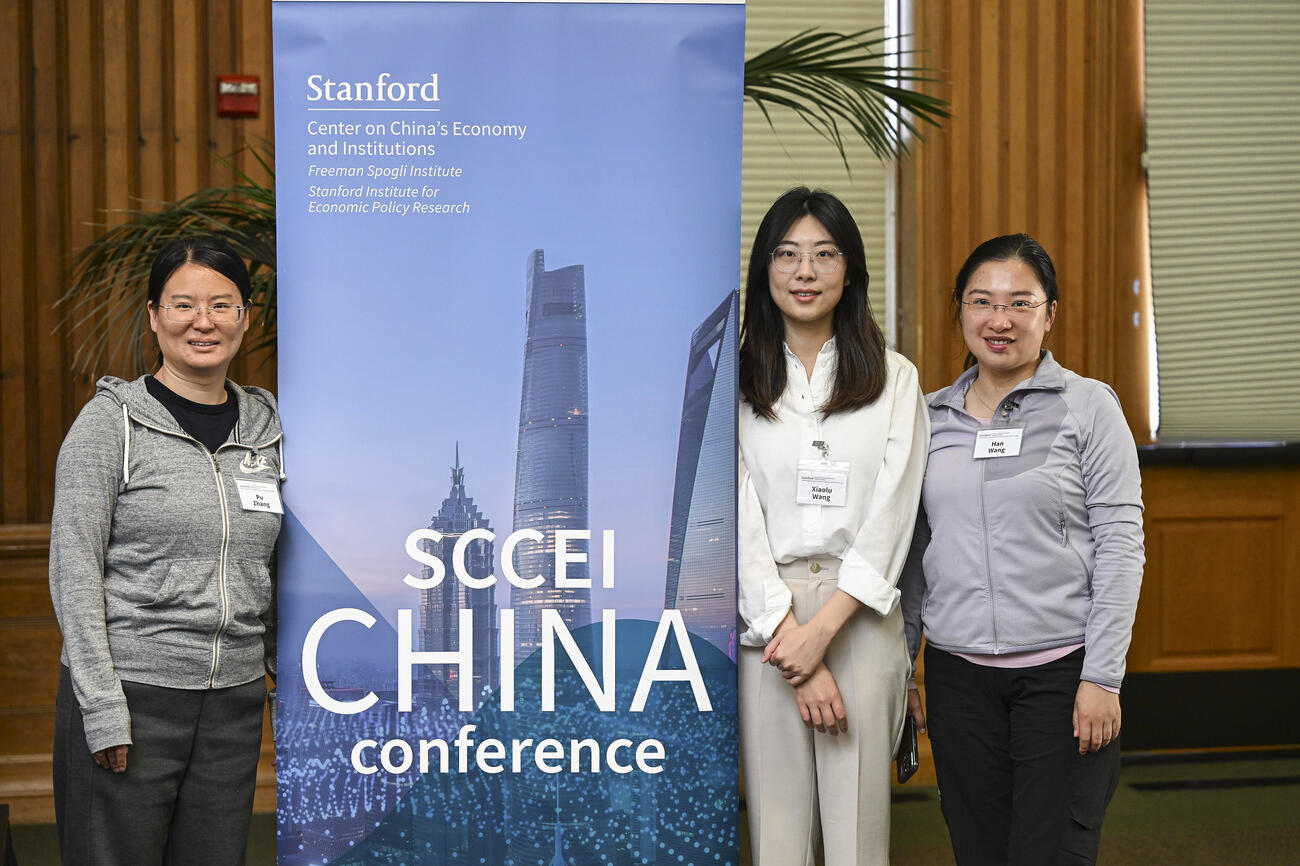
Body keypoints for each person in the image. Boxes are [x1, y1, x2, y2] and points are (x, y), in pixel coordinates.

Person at [899, 233, 1144, 865]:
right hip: (958, 679)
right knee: (978, 851)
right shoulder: (928, 418)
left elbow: (1121, 546)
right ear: (960, 310)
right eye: (981, 301)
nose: (999, 319)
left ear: (1050, 314)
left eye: (1020, 302)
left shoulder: (1088, 407)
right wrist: (903, 670)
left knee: (1053, 852)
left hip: (1061, 676)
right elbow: (912, 555)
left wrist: (1102, 677)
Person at [49, 236, 283, 865]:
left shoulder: (269, 431)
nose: (203, 321)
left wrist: (282, 675)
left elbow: (276, 565)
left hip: (232, 703)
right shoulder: (111, 424)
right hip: (132, 695)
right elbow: (73, 568)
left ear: (245, 318)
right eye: (183, 304)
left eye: (222, 305)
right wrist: (102, 705)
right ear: (154, 316)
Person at [738, 187, 929, 866]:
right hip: (767, 621)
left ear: (850, 271)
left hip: (861, 617)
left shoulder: (895, 379)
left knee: (858, 839)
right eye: (787, 254)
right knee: (777, 837)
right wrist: (789, 634)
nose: (805, 271)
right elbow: (737, 520)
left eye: (824, 254)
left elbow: (894, 517)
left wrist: (822, 633)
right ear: (765, 269)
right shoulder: (736, 380)